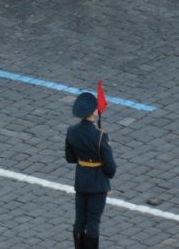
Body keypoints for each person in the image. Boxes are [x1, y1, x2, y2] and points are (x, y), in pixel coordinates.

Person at [65, 90, 114, 249]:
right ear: (93, 112)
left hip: (81, 181)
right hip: (97, 183)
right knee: (93, 222)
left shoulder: (72, 131)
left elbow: (70, 158)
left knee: (80, 220)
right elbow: (110, 168)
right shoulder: (100, 136)